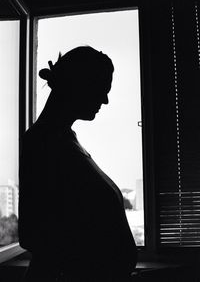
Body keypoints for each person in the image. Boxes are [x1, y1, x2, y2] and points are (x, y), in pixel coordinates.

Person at [19, 46, 137, 282]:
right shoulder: (43, 142)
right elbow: (34, 235)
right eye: (101, 89)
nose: (105, 99)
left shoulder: (65, 139)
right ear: (80, 85)